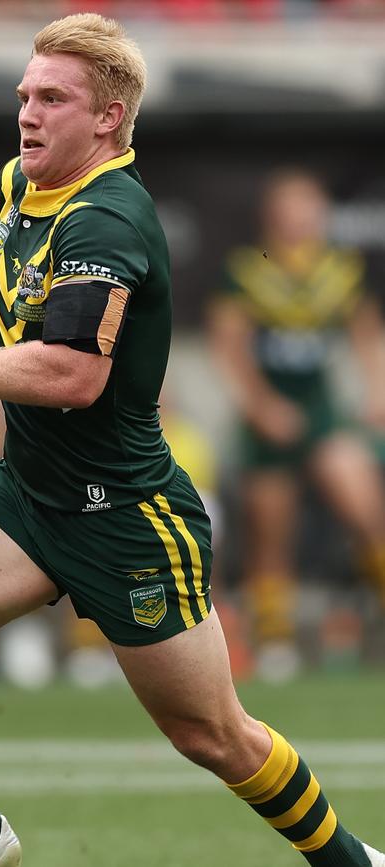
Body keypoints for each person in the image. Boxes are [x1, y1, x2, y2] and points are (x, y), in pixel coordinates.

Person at [0, 14, 384, 867]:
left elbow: (70, 375)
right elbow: (6, 275)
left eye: (53, 99)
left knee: (214, 736)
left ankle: (351, 860)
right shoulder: (24, 180)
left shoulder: (107, 219)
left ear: (109, 118)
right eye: (25, 94)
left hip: (125, 514)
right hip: (27, 495)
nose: (28, 112)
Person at [209, 170, 385, 679]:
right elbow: (229, 345)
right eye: (293, 207)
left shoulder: (341, 268)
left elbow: (365, 334)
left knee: (364, 504)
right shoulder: (247, 270)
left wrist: (375, 392)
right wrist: (261, 406)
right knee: (271, 529)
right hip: (267, 422)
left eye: (311, 207)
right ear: (272, 214)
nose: (304, 218)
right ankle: (276, 639)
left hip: (322, 413)